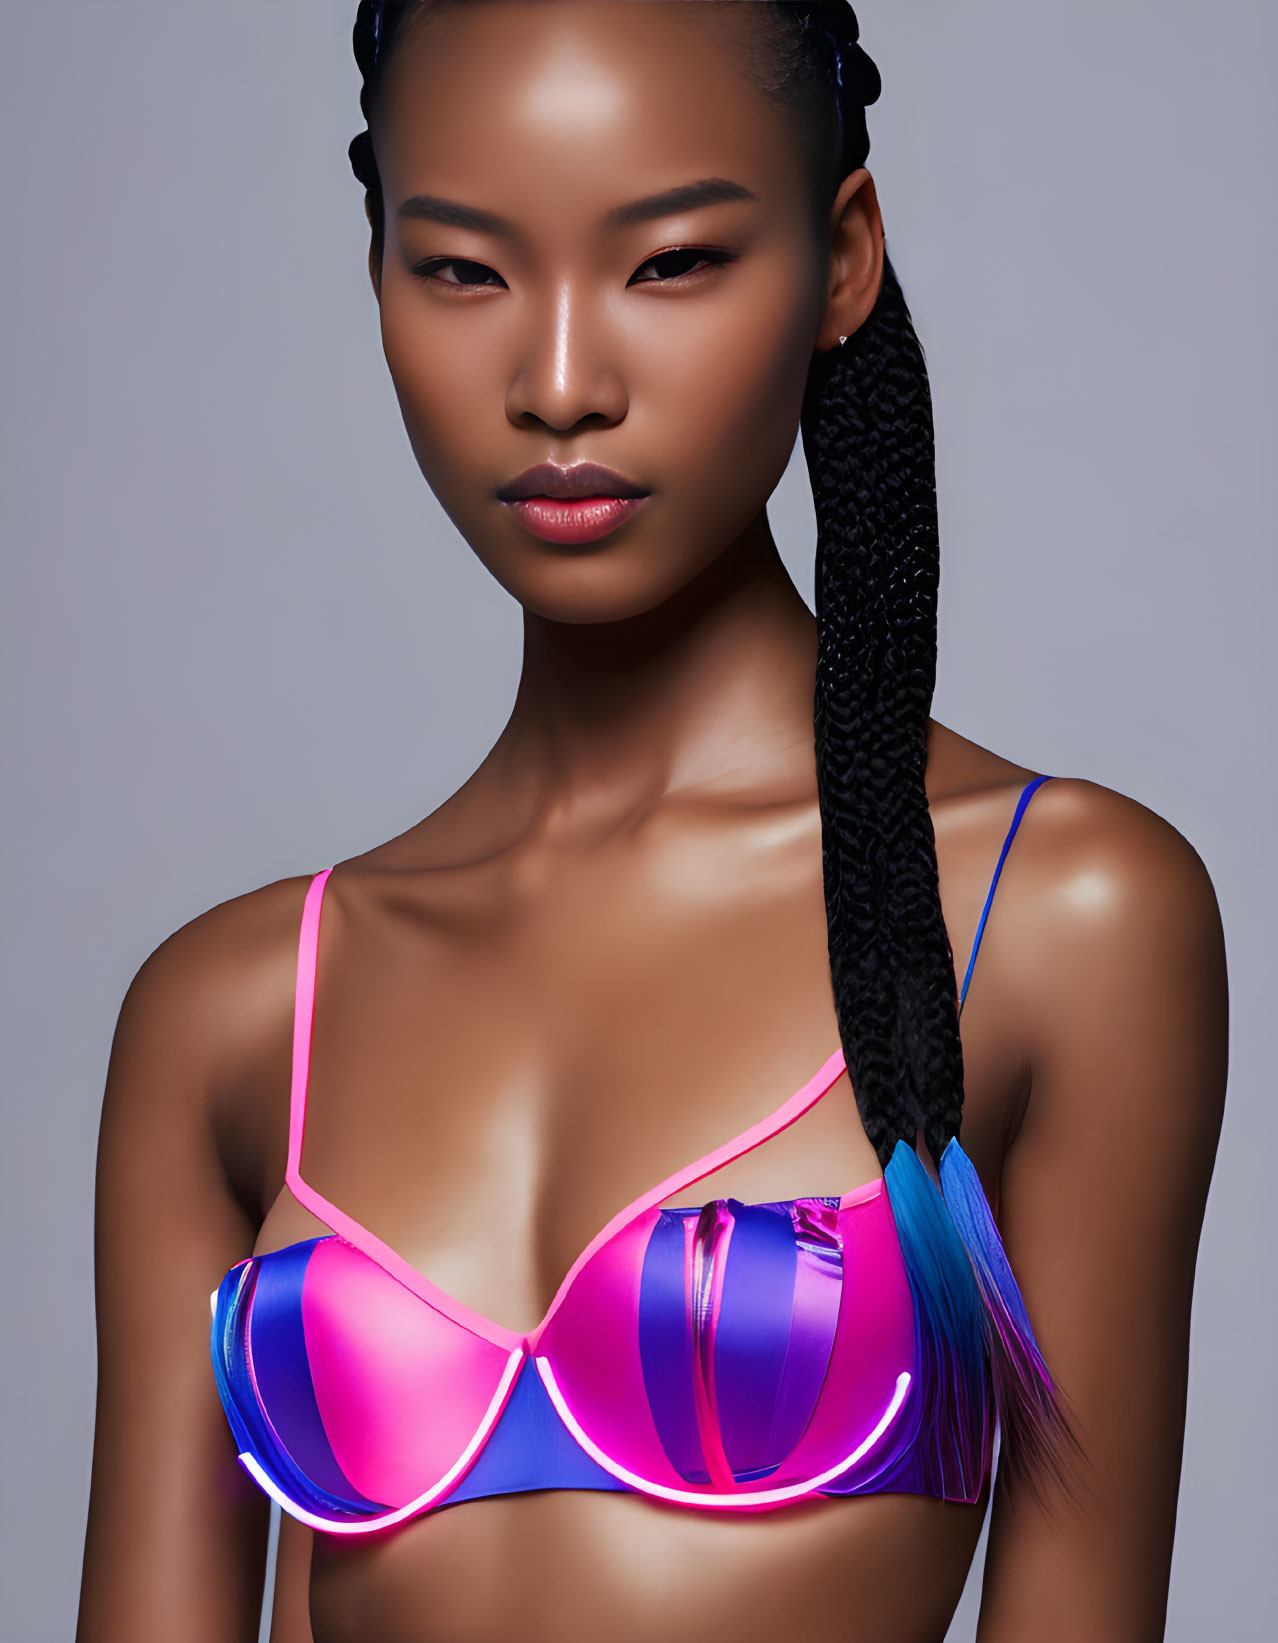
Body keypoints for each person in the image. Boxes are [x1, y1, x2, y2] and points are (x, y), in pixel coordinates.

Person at [75, 4, 1228, 1640]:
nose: (557, 382)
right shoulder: (235, 1014)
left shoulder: (1059, 915)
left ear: (841, 260)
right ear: (379, 268)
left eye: (670, 262)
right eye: (463, 269)